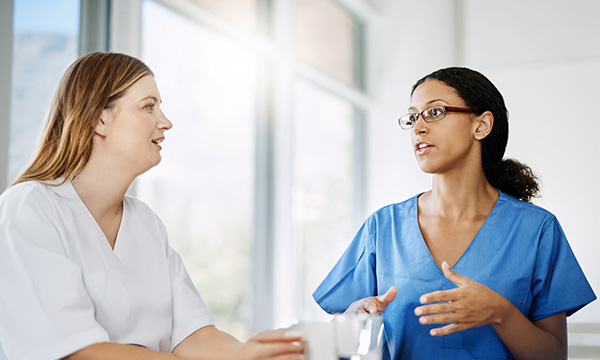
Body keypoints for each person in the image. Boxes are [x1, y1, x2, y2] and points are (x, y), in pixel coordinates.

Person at [0, 52, 304, 360]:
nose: (166, 121)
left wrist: (250, 353)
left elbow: (194, 335)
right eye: (149, 106)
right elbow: (78, 353)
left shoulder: (145, 223)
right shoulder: (29, 209)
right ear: (99, 119)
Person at [313, 67, 596, 360]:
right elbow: (338, 343)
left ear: (482, 125)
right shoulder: (383, 228)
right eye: (413, 117)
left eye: (434, 113)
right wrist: (351, 321)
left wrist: (501, 314)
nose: (419, 128)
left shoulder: (537, 230)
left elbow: (554, 356)